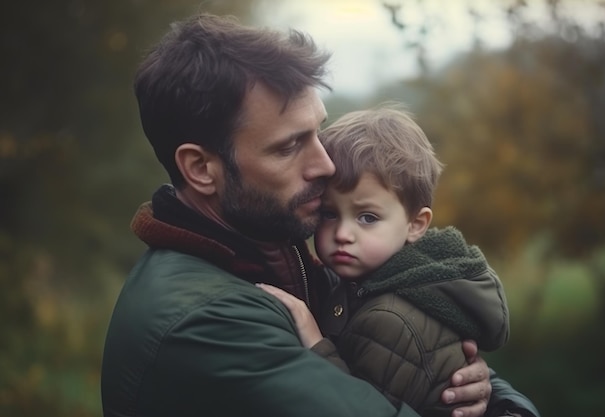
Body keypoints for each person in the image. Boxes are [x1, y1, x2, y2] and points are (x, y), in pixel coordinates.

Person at [100, 13, 538, 417]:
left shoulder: (281, 251)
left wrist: (483, 392)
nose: (324, 165)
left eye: (318, 133)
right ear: (201, 169)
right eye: (289, 146)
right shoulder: (206, 323)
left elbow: (413, 344)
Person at [259, 104, 538, 417]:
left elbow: (362, 408)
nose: (342, 234)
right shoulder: (366, 283)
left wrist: (316, 345)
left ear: (415, 224)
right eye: (329, 214)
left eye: (367, 217)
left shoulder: (390, 318)